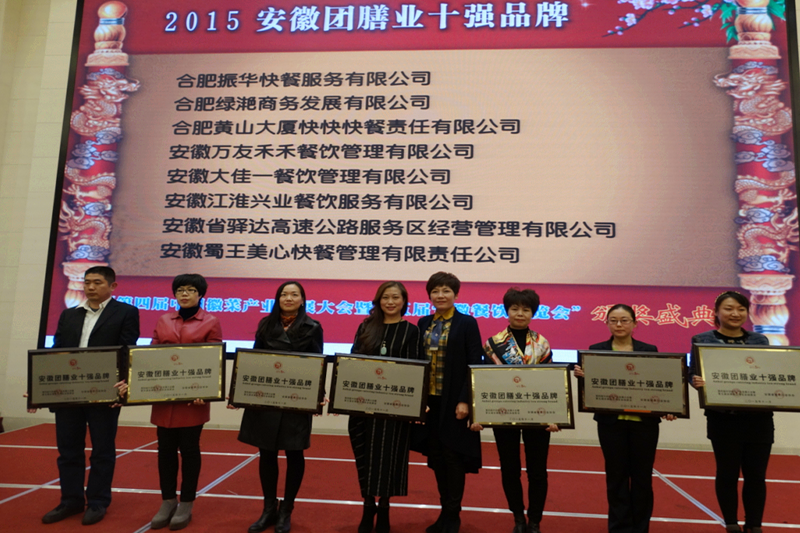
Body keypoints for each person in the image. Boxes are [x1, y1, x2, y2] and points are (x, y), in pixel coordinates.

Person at [41, 266, 140, 525]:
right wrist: (41, 387)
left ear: (112, 286)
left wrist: (123, 387)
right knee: (68, 450)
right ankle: (70, 501)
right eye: (87, 283)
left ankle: (97, 501)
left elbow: (127, 350)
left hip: (104, 392)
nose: (90, 287)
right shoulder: (69, 314)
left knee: (102, 450)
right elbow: (57, 352)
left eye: (97, 282)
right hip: (69, 393)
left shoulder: (126, 312)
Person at [574, 303, 674, 533]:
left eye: (624, 320)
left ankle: (640, 527)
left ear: (634, 324)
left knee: (642, 478)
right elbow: (593, 389)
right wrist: (584, 376)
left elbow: (660, 383)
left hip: (644, 425)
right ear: (607, 323)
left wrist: (669, 406)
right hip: (611, 424)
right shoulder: (596, 350)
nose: (619, 325)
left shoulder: (649, 350)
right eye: (614, 320)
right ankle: (619, 527)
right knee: (616, 477)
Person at [238, 281, 323, 533]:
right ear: (277, 299)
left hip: (296, 399)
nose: (288, 298)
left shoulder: (313, 327)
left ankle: (286, 510)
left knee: (294, 454)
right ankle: (268, 509)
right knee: (266, 454)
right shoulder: (266, 324)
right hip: (266, 399)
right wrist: (240, 392)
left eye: (294, 294)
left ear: (302, 300)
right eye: (284, 294)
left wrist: (318, 395)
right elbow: (254, 361)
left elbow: (317, 364)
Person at [690, 291, 771, 533]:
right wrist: (695, 381)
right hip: (722, 419)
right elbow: (692, 373)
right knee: (727, 473)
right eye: (728, 308)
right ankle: (731, 523)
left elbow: (768, 373)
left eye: (740, 309)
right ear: (716, 312)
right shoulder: (702, 339)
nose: (735, 313)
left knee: (756, 475)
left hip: (758, 419)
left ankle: (754, 525)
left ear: (747, 312)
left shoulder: (760, 341)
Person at [148, 274, 222, 530]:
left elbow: (213, 360)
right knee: (165, 451)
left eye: (191, 290)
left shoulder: (210, 321)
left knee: (189, 451)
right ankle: (168, 500)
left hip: (193, 400)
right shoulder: (163, 319)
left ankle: (187, 502)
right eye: (180, 290)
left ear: (200, 294)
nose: (185, 294)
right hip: (164, 398)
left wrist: (206, 390)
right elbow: (151, 355)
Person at [482, 288, 560, 533]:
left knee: (538, 471)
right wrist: (480, 414)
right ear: (507, 311)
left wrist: (555, 416)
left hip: (538, 413)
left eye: (526, 309)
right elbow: (485, 382)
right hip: (503, 412)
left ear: (533, 313)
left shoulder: (542, 343)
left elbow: (550, 381)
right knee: (510, 468)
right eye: (514, 308)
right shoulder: (492, 343)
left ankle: (534, 521)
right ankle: (517, 518)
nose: (520, 313)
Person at [349, 281, 421, 533]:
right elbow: (352, 362)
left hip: (394, 407)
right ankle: (368, 505)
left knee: (390, 458)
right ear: (378, 301)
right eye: (385, 297)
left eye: (395, 297)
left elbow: (415, 368)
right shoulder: (366, 326)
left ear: (404, 301)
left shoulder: (411, 331)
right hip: (362, 406)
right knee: (364, 456)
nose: (390, 302)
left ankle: (385, 507)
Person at [416, 272, 484, 533]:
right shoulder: (423, 323)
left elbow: (474, 362)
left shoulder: (466, 323)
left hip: (454, 402)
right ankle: (444, 512)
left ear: (456, 294)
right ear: (429, 295)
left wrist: (465, 399)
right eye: (435, 291)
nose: (440, 295)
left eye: (446, 290)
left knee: (453, 457)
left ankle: (453, 516)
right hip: (430, 403)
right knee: (437, 457)